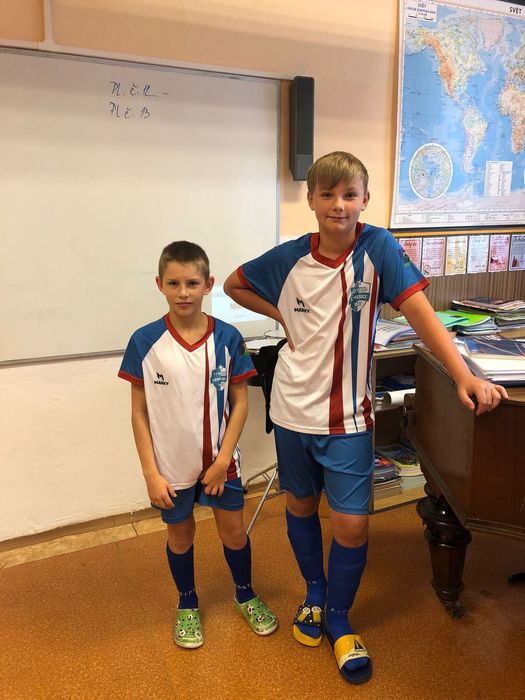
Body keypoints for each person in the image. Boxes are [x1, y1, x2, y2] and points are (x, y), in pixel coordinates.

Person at [223, 151, 507, 684]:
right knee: (301, 506)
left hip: (348, 419)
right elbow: (234, 284)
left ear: (365, 200)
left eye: (349, 195)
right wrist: (280, 313)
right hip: (290, 412)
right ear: (311, 201)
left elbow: (419, 312)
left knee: (351, 525)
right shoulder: (288, 258)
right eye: (327, 195)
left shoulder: (377, 247)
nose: (339, 205)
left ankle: (339, 617)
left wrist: (463, 374)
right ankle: (314, 595)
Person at [119, 240, 278, 649]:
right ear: (160, 284)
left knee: (234, 532)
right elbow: (138, 413)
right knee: (180, 536)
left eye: (192, 283)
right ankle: (187, 602)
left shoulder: (227, 337)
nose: (183, 292)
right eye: (174, 283)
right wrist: (150, 474)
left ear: (208, 285)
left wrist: (223, 460)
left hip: (221, 462)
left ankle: (245, 594)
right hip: (170, 467)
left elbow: (241, 403)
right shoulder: (144, 341)